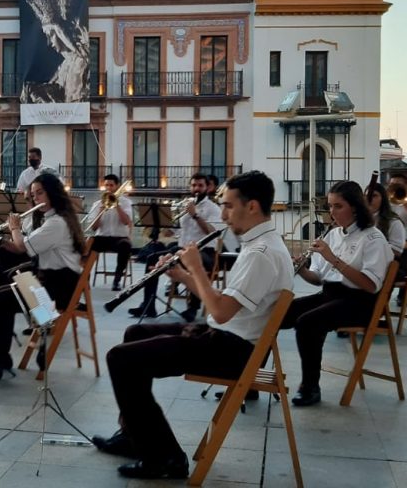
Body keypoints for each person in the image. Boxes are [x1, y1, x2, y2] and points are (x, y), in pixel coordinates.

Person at [93, 170, 292, 480]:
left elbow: (221, 312)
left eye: (228, 205)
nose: (223, 213)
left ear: (251, 206)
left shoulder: (262, 253)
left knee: (121, 358)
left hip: (233, 350)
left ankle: (166, 458)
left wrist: (197, 268)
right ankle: (134, 434)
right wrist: (183, 276)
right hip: (226, 337)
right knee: (136, 332)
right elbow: (223, 305)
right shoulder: (259, 244)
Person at [0, 173, 85, 380]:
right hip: (51, 280)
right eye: (33, 194)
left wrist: (14, 228)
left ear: (53, 193)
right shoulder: (52, 219)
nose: (35, 198)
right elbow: (19, 245)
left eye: (40, 193)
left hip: (59, 288)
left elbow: (21, 247)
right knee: (4, 292)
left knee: (3, 298)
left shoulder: (56, 223)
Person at [282, 180, 393, 407]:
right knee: (277, 312)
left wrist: (333, 258)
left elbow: (370, 285)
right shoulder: (332, 235)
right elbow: (318, 279)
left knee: (307, 323)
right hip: (330, 295)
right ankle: (251, 379)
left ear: (354, 207)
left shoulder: (373, 238)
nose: (331, 212)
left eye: (338, 206)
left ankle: (310, 387)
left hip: (360, 302)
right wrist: (301, 268)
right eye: (330, 206)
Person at [128, 173, 221, 321]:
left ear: (207, 188)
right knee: (152, 258)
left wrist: (195, 215)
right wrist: (163, 224)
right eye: (193, 185)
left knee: (195, 263)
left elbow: (212, 232)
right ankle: (148, 304)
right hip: (182, 249)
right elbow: (171, 232)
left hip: (205, 251)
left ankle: (192, 308)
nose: (196, 188)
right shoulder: (184, 206)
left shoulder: (213, 208)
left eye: (200, 185)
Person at [86, 174, 134, 291]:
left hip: (119, 238)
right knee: (87, 243)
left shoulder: (126, 202)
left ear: (117, 186)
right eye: (106, 185)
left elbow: (126, 222)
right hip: (102, 237)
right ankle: (84, 278)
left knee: (125, 246)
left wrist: (117, 205)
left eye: (111, 185)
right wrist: (100, 211)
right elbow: (93, 228)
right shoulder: (97, 204)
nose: (108, 188)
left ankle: (116, 281)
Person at [366, 183, 405, 256]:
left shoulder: (393, 222)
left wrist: (371, 246)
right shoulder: (357, 219)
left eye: (374, 196)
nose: (369, 199)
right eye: (366, 196)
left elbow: (397, 250)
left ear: (383, 199)